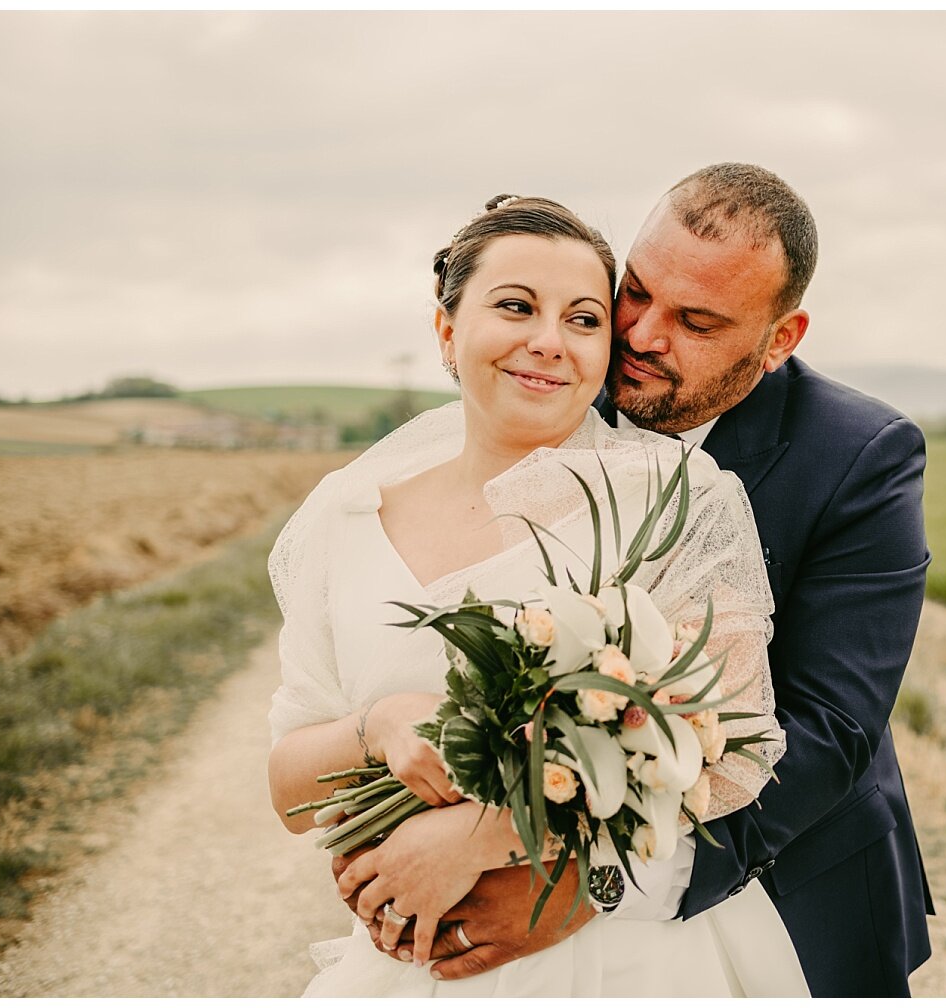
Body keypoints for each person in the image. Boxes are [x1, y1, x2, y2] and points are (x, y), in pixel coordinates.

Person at [408, 164, 935, 996]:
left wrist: (592, 886)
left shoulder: (860, 456)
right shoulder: (557, 392)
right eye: (636, 293)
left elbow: (828, 728)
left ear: (779, 340)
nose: (642, 335)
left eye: (696, 320)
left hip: (788, 888)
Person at [266, 194, 810, 996]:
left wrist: (485, 838)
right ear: (448, 332)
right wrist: (374, 728)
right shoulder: (349, 517)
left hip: (618, 961)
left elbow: (725, 759)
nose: (548, 342)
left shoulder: (669, 499)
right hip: (405, 969)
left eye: (585, 319)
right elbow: (292, 799)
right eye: (516, 306)